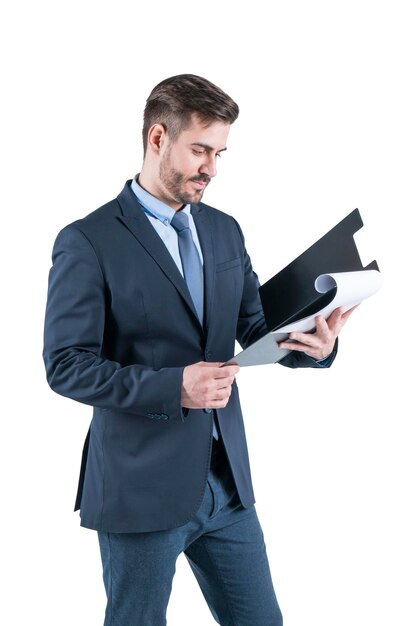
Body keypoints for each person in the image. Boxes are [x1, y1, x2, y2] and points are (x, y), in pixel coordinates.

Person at [43, 74, 354, 626]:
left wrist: (315, 344)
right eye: (201, 150)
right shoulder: (87, 240)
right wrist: (174, 385)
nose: (212, 167)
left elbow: (255, 325)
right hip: (139, 489)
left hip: (226, 487)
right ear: (158, 138)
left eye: (221, 152)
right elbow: (66, 365)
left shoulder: (224, 231)